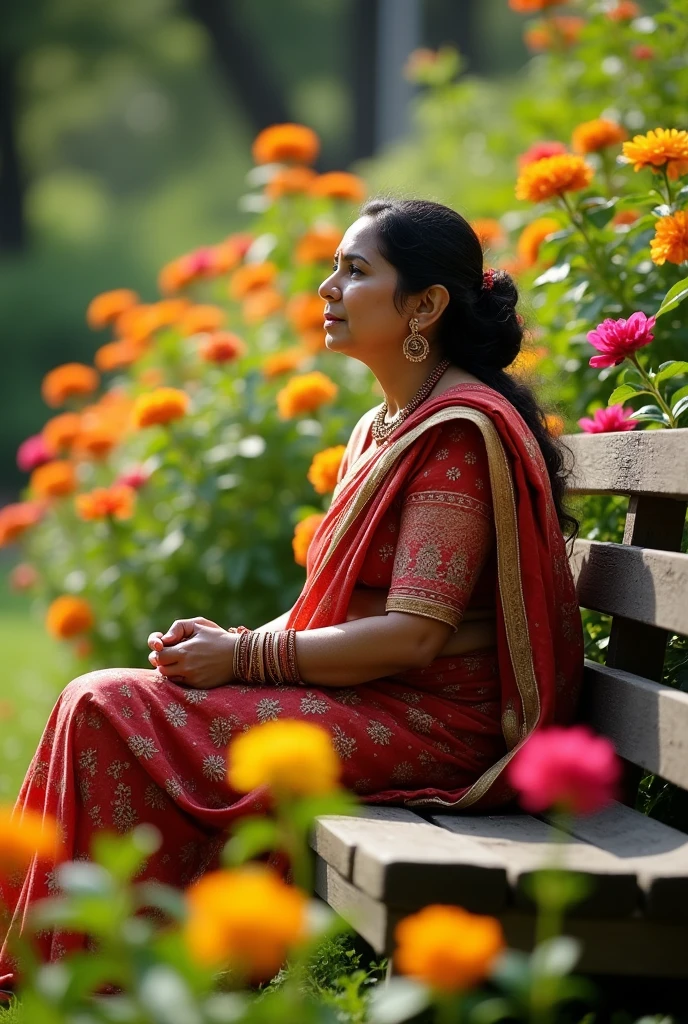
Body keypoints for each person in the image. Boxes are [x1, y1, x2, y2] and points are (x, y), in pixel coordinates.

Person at [0, 197, 583, 982]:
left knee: (108, 705)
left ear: (426, 305)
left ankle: (102, 981)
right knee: (98, 699)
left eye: (355, 271)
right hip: (377, 697)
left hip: (440, 723)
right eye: (333, 268)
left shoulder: (455, 435)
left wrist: (246, 656)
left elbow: (414, 635)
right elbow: (332, 613)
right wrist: (222, 645)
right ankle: (78, 973)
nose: (327, 289)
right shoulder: (386, 424)